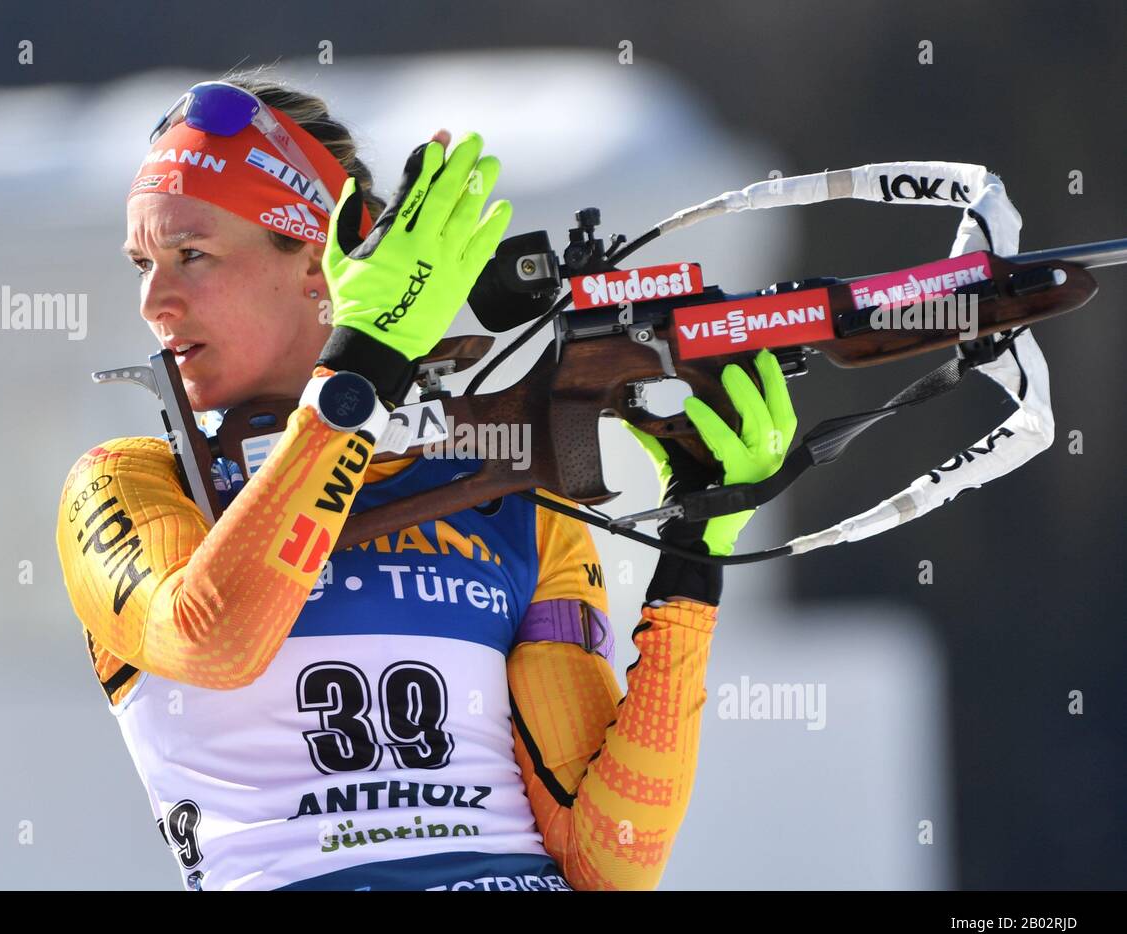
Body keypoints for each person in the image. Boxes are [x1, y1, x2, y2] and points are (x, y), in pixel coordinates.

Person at [55, 70, 797, 891]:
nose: (154, 301)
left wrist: (694, 555)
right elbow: (214, 637)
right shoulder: (129, 484)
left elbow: (610, 854)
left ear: (314, 264)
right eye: (142, 264)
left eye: (191, 255)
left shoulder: (498, 487)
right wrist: (362, 370)